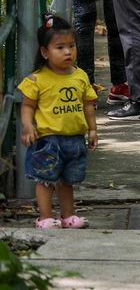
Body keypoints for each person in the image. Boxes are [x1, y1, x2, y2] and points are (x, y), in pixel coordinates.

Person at [19, 16, 98, 229]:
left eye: (71, 46)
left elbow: (88, 104)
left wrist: (92, 130)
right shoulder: (37, 79)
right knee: (45, 180)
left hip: (74, 139)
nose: (67, 52)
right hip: (47, 140)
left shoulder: (80, 76)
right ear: (45, 52)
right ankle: (45, 217)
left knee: (66, 181)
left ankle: (68, 216)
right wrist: (28, 126)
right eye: (60, 47)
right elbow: (27, 106)